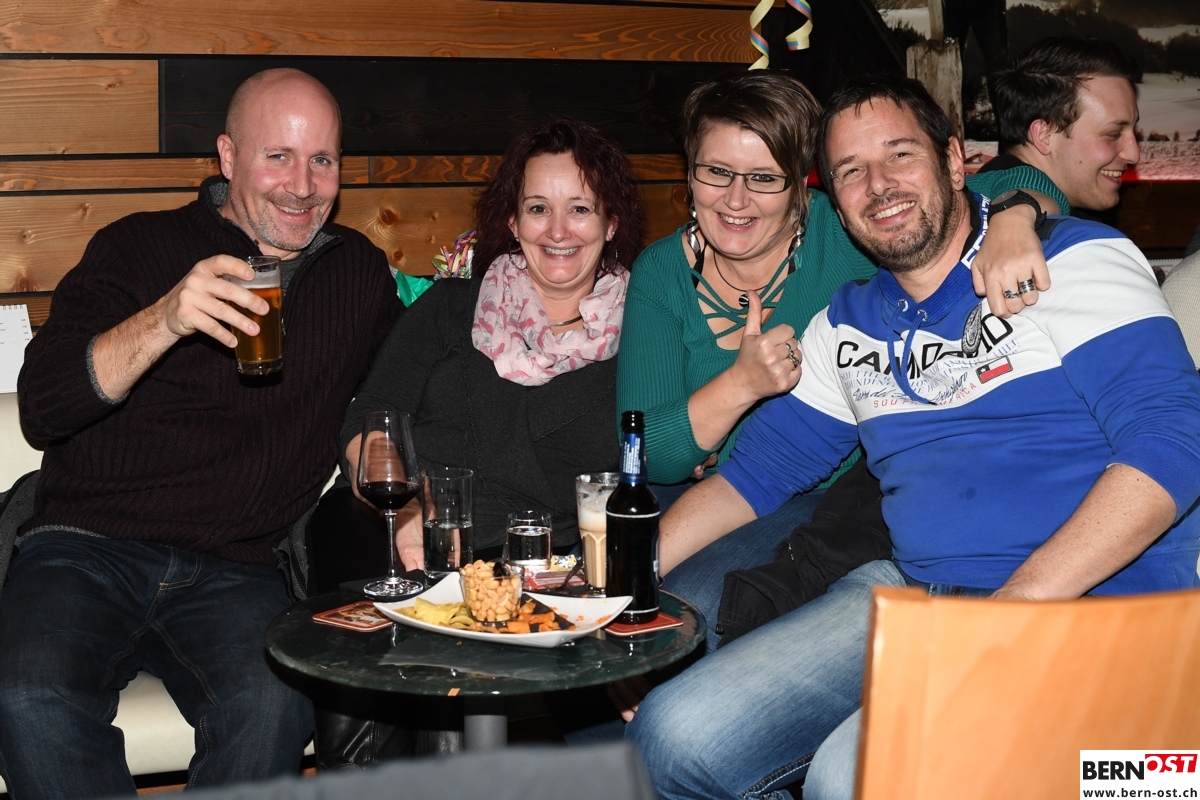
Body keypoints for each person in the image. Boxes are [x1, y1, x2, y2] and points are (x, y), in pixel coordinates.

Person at [625, 74, 1200, 800]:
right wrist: (621, 579)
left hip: (1094, 603)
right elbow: (755, 474)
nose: (879, 185)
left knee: (854, 777)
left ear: (954, 161)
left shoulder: (1072, 261)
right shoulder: (845, 325)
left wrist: (1013, 610)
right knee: (669, 739)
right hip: (916, 597)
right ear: (834, 199)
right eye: (851, 171)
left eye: (900, 155)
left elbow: (1174, 441)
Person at [0, 69, 402, 797]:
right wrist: (166, 318)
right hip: (87, 548)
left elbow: (394, 391)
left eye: (322, 160)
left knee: (274, 703)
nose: (302, 186)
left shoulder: (359, 275)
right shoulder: (137, 246)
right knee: (30, 697)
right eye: (277, 157)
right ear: (227, 156)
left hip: (237, 566)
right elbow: (43, 406)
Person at [616, 70, 1070, 649]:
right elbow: (649, 455)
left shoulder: (854, 225)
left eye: (764, 178)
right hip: (723, 496)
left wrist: (1011, 217)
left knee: (692, 610)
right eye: (717, 172)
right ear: (690, 174)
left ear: (802, 184)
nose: (735, 199)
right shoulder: (662, 271)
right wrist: (740, 385)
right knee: (626, 593)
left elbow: (1023, 176)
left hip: (836, 498)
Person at [986, 36, 1139, 214]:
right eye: (1113, 134)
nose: (1134, 155)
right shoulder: (1034, 224)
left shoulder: (981, 195)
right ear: (1045, 135)